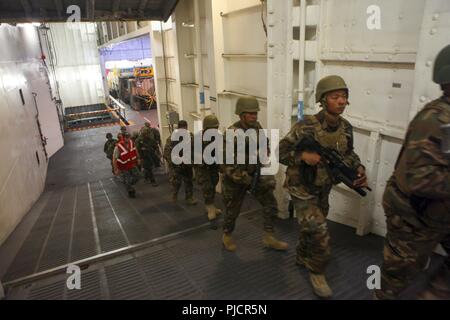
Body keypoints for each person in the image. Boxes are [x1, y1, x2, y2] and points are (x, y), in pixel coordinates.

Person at [278, 75, 367, 298]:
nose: (341, 101)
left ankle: (301, 255)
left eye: (344, 97)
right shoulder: (305, 125)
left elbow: (349, 154)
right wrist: (302, 156)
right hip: (301, 188)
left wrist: (359, 169)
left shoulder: (345, 128)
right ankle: (317, 272)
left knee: (311, 227)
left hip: (323, 187)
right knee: (320, 232)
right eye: (335, 97)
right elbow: (279, 152)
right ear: (323, 100)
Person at [374, 45, 450, 300]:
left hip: (439, 211)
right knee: (398, 275)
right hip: (413, 216)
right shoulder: (437, 119)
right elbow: (419, 178)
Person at [221, 97, 289, 252]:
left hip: (255, 174)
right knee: (232, 212)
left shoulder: (257, 127)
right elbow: (226, 164)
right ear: (241, 114)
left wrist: (265, 152)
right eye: (250, 113)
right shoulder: (232, 133)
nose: (254, 116)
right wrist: (245, 179)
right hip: (235, 179)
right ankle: (227, 235)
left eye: (255, 113)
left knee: (270, 204)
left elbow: (265, 146)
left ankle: (269, 237)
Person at [194, 115, 222, 228]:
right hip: (203, 168)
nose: (215, 130)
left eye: (216, 128)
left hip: (213, 167)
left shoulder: (218, 137)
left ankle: (212, 205)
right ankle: (209, 208)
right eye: (212, 128)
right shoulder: (198, 138)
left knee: (213, 185)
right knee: (207, 187)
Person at [163, 120, 197, 205]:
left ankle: (189, 198)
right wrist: (172, 163)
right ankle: (174, 195)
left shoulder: (190, 136)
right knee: (176, 182)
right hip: (176, 165)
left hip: (187, 164)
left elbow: (194, 149)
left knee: (189, 181)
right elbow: (166, 152)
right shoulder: (172, 138)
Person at [112, 131, 141, 198]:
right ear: (123, 138)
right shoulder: (118, 147)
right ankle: (131, 191)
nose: (128, 139)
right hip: (124, 167)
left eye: (129, 137)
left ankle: (128, 184)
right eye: (126, 137)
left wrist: (138, 158)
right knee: (127, 180)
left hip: (132, 164)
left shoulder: (131, 142)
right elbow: (114, 159)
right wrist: (115, 169)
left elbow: (135, 150)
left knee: (138, 176)